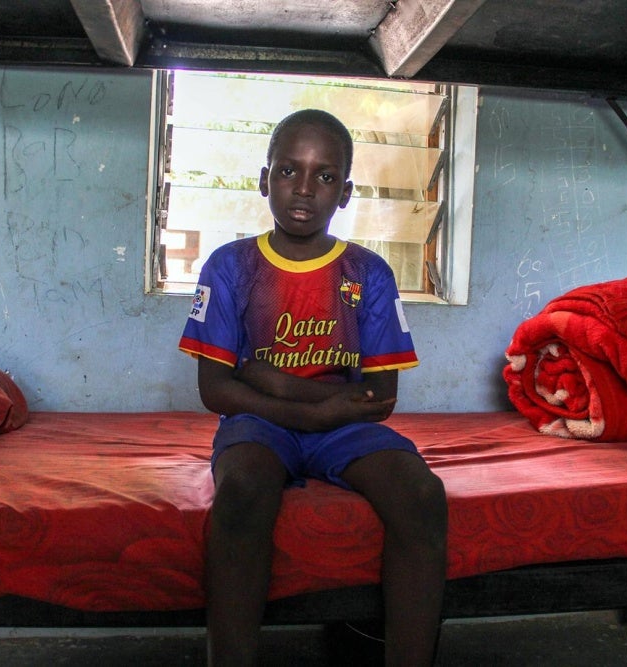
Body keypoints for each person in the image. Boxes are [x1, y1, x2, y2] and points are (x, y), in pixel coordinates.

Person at [179, 109, 447, 666]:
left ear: (345, 192)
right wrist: (312, 410)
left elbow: (381, 398)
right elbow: (215, 391)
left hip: (344, 428)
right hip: (257, 422)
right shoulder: (230, 267)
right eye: (287, 171)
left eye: (325, 176)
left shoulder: (367, 272)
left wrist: (280, 384)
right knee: (244, 490)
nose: (304, 189)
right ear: (263, 180)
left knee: (423, 496)